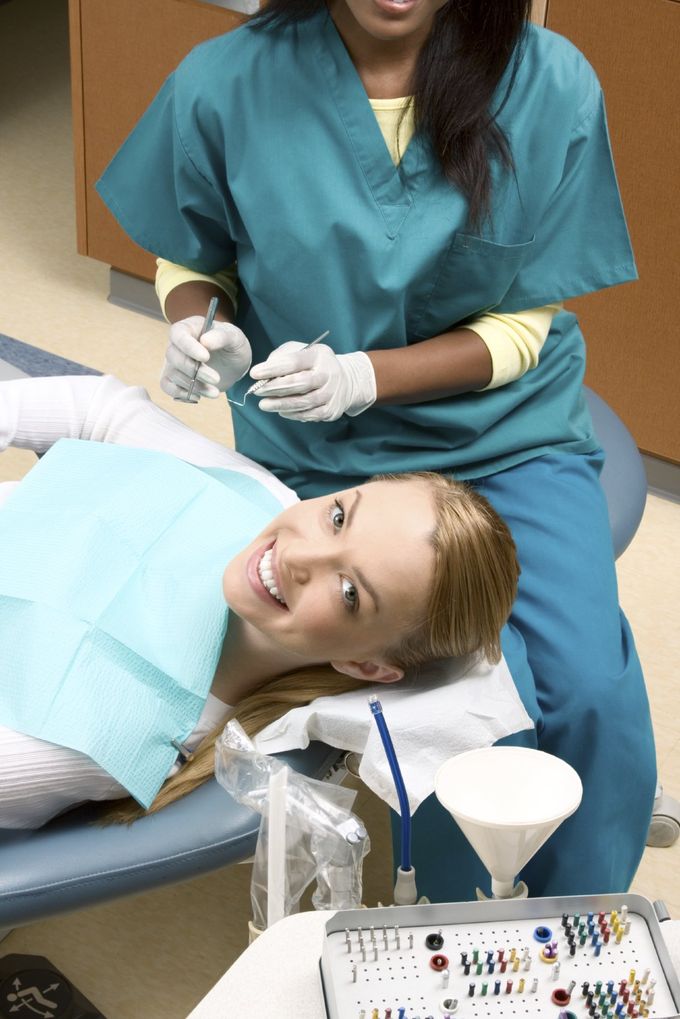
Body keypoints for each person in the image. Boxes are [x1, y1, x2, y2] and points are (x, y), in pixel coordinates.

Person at [94, 0, 656, 896]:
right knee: (458, 703)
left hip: (502, 431)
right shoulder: (226, 84)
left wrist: (367, 376)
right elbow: (191, 256)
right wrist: (201, 327)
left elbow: (523, 323)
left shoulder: (550, 84)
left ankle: (579, 922)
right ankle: (444, 928)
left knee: (586, 687)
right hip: (327, 462)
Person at [0, 373, 518, 830]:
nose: (301, 553)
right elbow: (101, 409)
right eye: (338, 517)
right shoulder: (253, 497)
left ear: (366, 663)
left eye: (349, 592)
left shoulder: (105, 737)